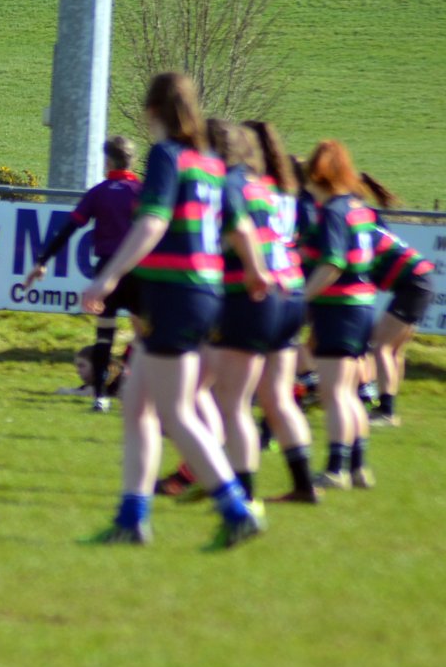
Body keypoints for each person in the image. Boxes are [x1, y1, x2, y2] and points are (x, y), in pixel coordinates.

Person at [79, 72, 271, 549]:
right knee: (137, 405)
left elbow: (153, 221)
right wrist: (256, 270)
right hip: (203, 291)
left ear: (151, 111)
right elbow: (240, 227)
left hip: (175, 292)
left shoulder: (167, 155)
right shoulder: (209, 162)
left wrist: (109, 276)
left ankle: (236, 508)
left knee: (175, 411)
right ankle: (131, 519)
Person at [204, 119, 318, 505]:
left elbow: (237, 233)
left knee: (233, 402)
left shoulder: (228, 184)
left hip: (253, 294)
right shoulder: (265, 185)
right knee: (277, 396)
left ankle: (242, 495)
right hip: (291, 292)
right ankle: (304, 485)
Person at [25, 135, 141, 412]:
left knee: (104, 336)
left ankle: (100, 396)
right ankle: (134, 385)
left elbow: (69, 227)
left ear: (108, 161)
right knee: (145, 334)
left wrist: (43, 260)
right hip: (137, 269)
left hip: (106, 270)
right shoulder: (143, 191)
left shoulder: (99, 192)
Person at [299, 140, 377, 489]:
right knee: (348, 391)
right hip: (362, 306)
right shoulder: (357, 207)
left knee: (334, 393)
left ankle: (336, 469)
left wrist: (301, 297)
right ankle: (358, 466)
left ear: (318, 176)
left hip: (339, 309)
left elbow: (332, 262)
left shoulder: (332, 210)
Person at [358, 174, 434, 427]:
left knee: (380, 345)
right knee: (393, 349)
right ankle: (390, 404)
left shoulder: (357, 226)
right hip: (419, 283)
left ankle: (386, 411)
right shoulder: (369, 218)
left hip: (414, 286)